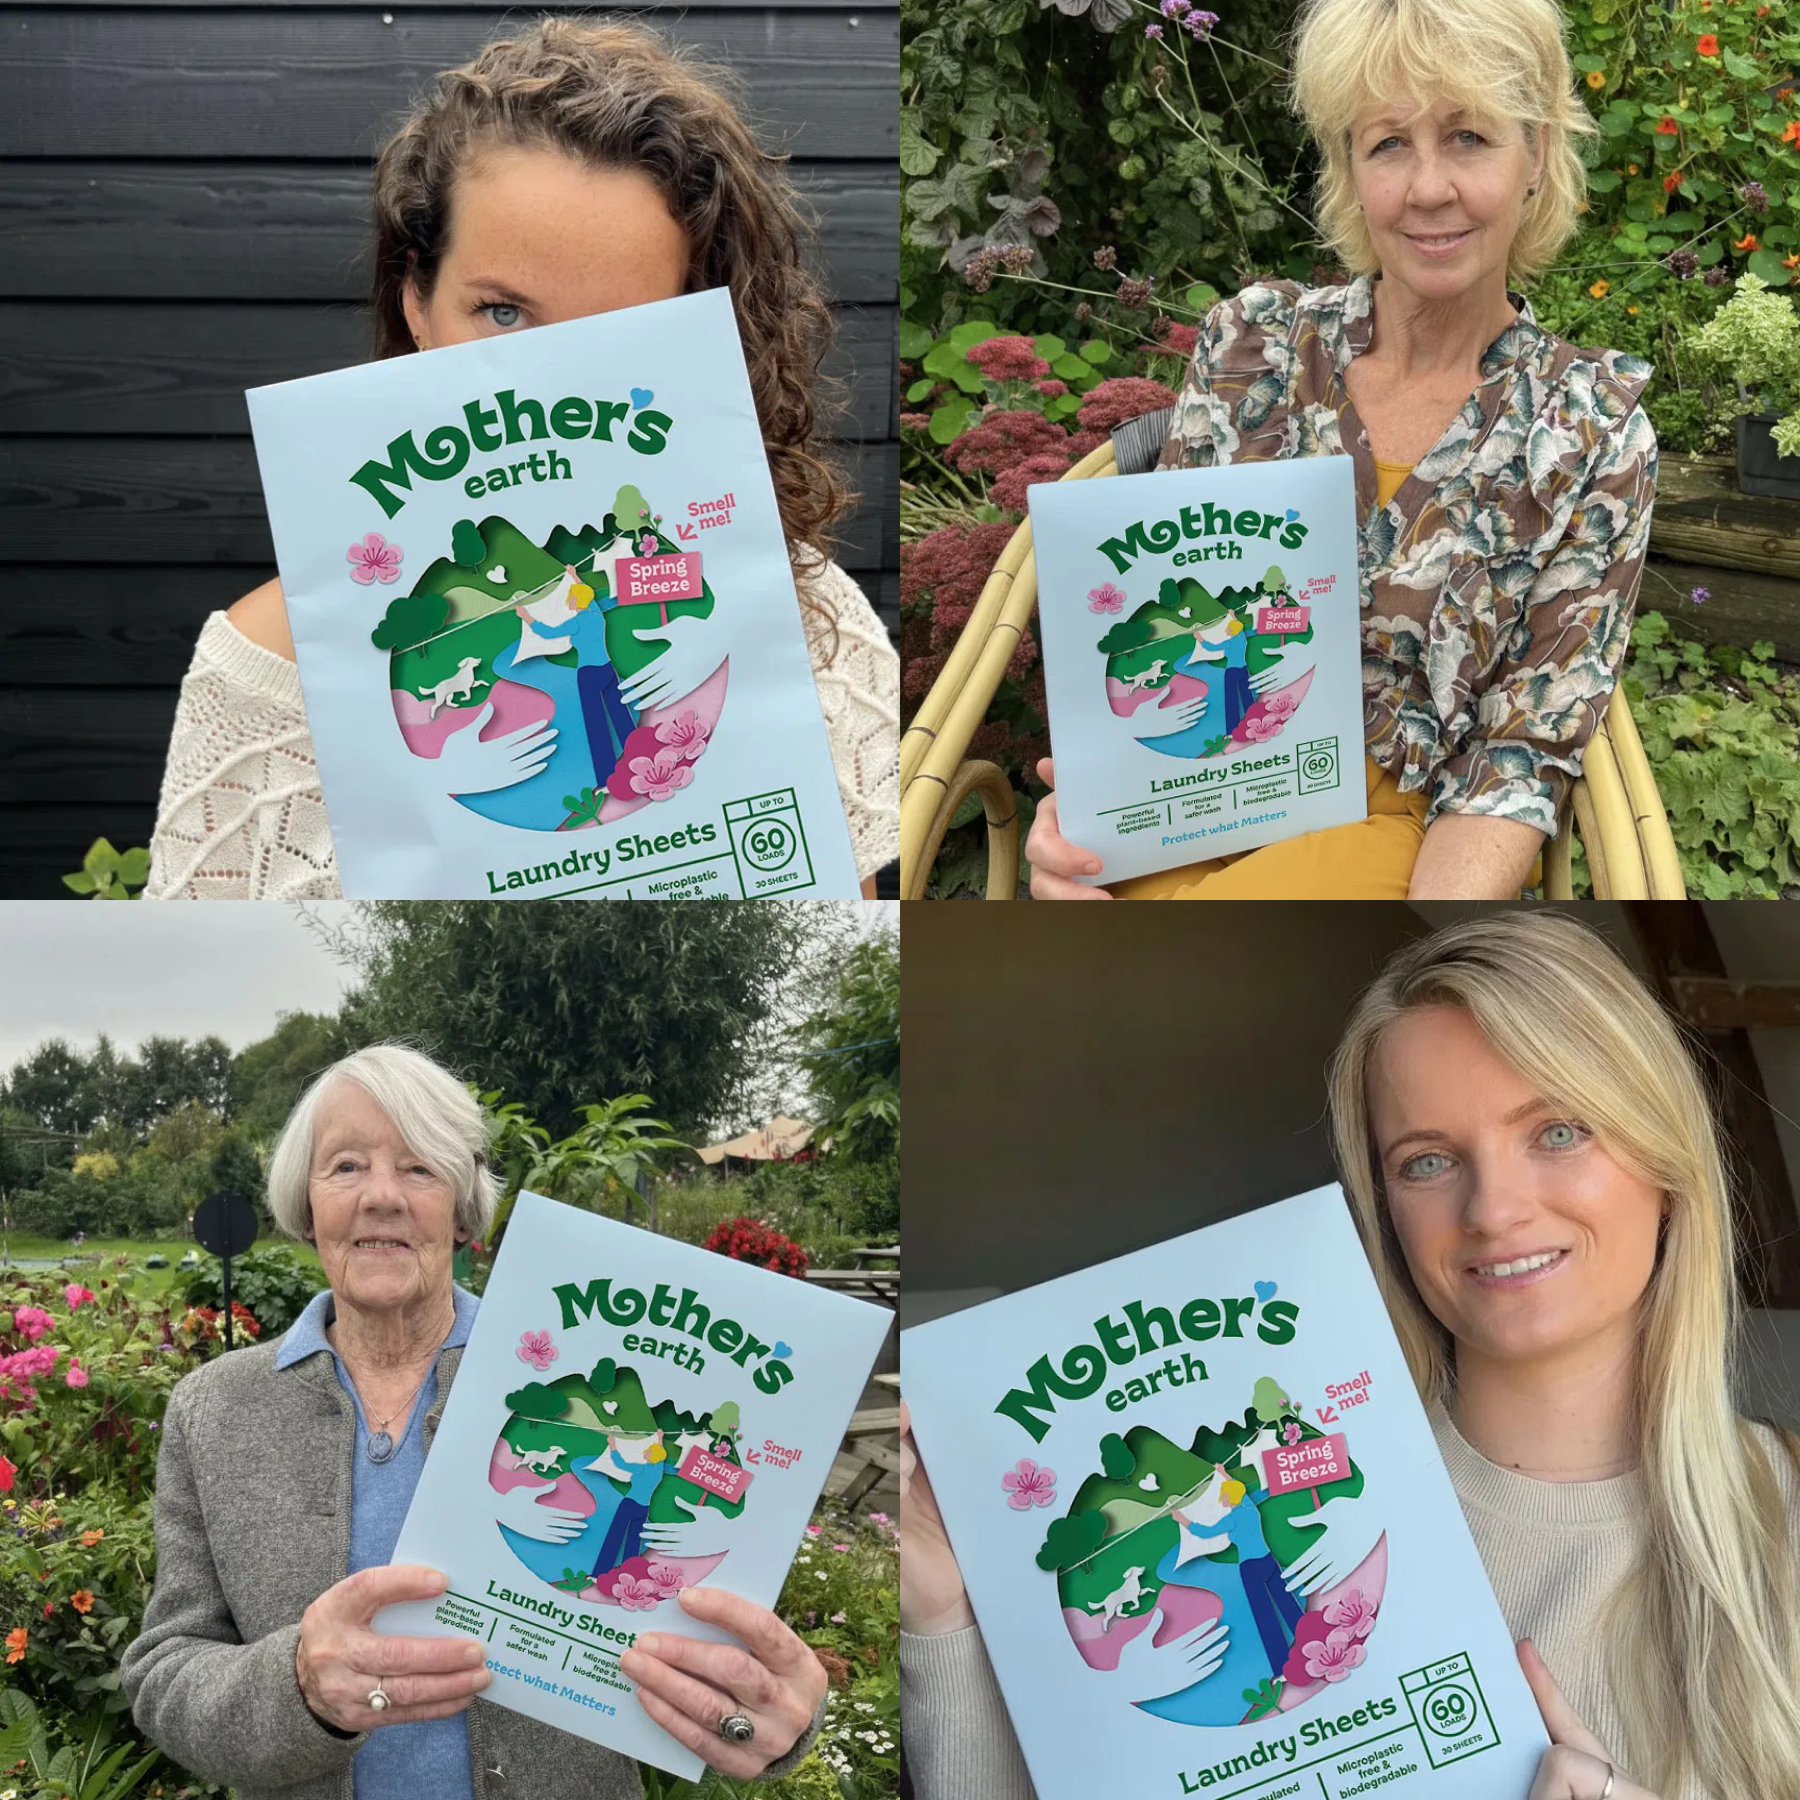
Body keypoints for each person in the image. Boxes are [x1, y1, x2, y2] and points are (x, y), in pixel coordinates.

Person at [901, 913, 1800, 1800]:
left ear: (1666, 1159)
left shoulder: (1783, 1510)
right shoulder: (1326, 1500)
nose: (1494, 1209)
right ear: (1386, 1209)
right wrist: (945, 1620)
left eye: (1559, 1131)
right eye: (1427, 1162)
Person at [144, 18, 898, 900]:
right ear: (416, 300)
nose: (540, 381)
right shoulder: (269, 673)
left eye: (623, 330)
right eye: (503, 313)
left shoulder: (816, 626)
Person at [1025, 0, 1657, 901]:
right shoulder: (1254, 344)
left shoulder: (1588, 428)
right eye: (1388, 144)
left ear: (1539, 154)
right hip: (1196, 774)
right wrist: (1084, 831)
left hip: (1390, 839)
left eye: (1470, 136)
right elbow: (1152, 608)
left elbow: (1521, 754)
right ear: (1349, 169)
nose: (1428, 187)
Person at [119, 1044, 827, 1800]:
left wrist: (770, 1717)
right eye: (347, 1165)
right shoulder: (218, 1408)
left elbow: (729, 1642)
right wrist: (298, 1686)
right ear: (306, 1202)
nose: (382, 1196)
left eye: (420, 1166)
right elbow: (166, 1668)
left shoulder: (569, 1373)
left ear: (462, 1209)